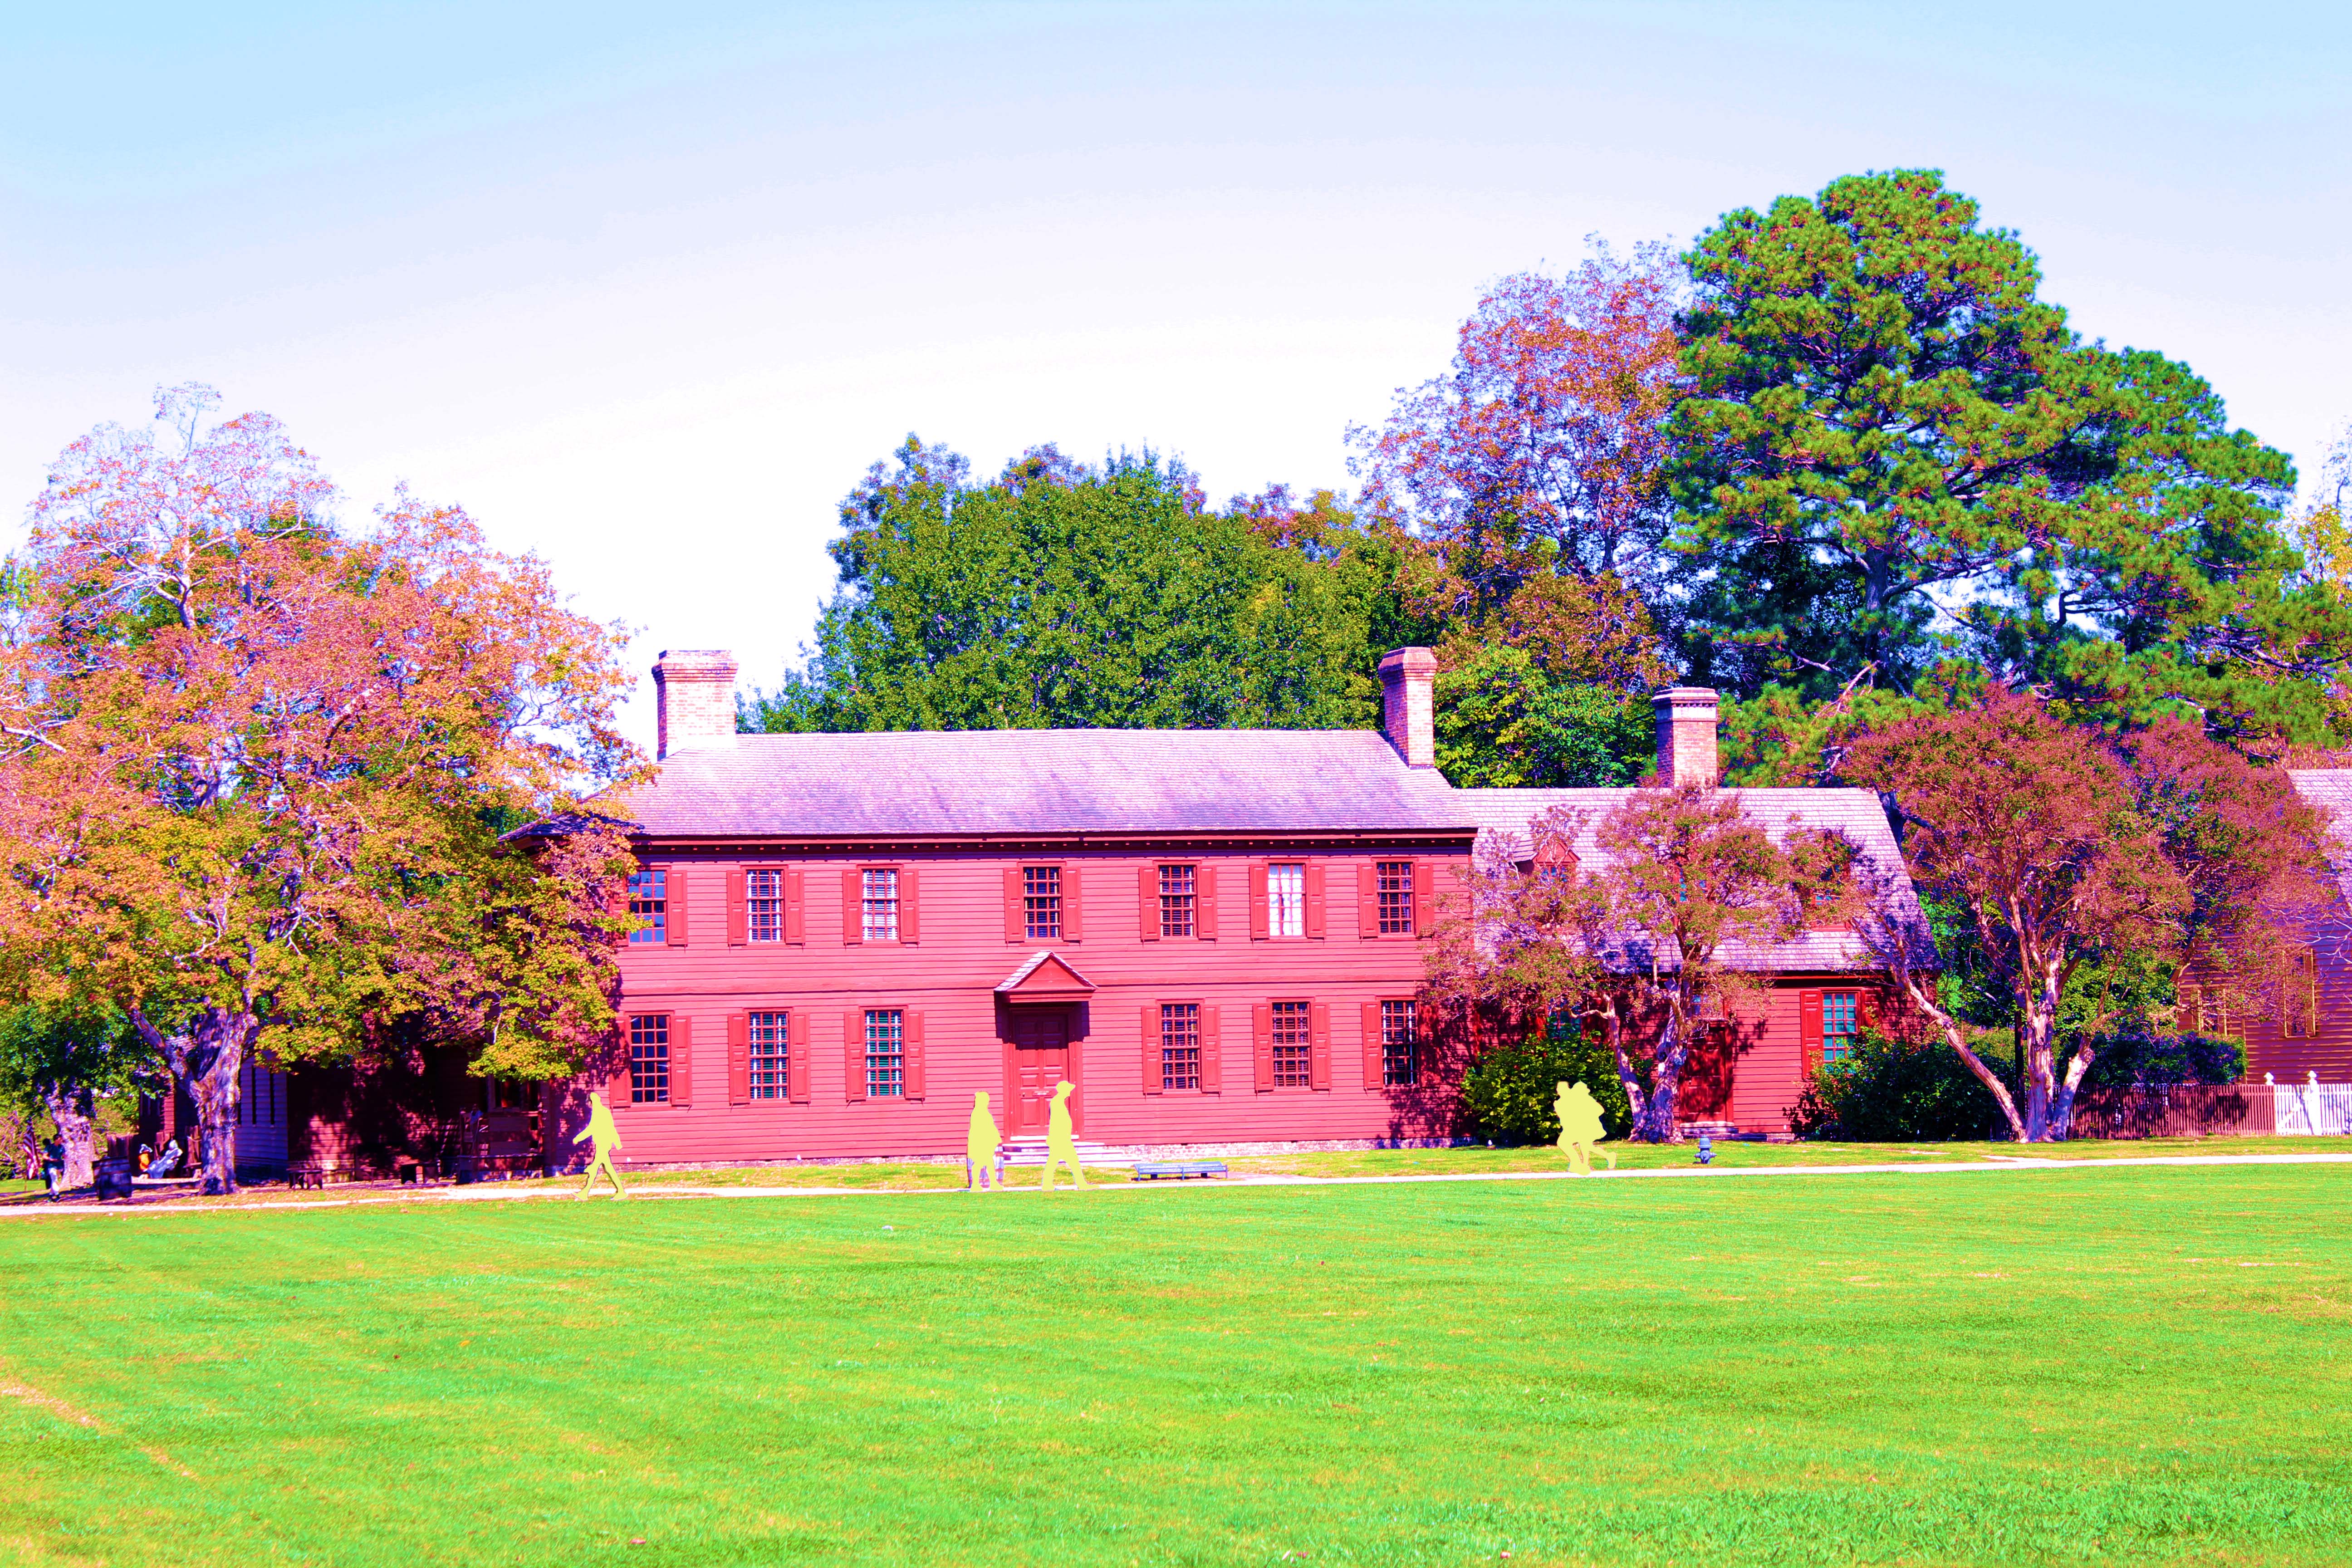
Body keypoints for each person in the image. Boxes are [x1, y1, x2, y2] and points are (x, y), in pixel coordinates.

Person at [1553, 1081, 1616, 1176]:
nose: (1559, 1091)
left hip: (1586, 1126)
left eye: (1562, 1088)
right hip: (1572, 1128)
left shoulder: (1578, 1097)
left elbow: (1599, 1110)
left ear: (1568, 1089)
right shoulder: (1560, 1102)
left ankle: (1583, 1166)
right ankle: (1607, 1157)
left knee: (1584, 1144)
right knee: (1564, 1143)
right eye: (1558, 1089)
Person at [573, 1091, 626, 1198]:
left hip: (603, 1144)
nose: (589, 1105)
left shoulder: (598, 1113)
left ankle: (585, 1193)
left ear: (592, 1102)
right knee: (608, 1169)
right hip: (605, 1143)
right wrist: (617, 1142)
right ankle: (620, 1192)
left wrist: (578, 1138)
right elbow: (612, 1128)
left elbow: (591, 1129)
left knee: (595, 1168)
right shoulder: (604, 1111)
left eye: (589, 1103)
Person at [1040, 1080, 1088, 1191]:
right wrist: (1053, 1137)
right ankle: (1081, 1184)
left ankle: (1047, 1185)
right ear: (1064, 1090)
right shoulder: (1057, 1103)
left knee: (1055, 1162)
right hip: (1061, 1139)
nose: (1070, 1092)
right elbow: (1055, 1122)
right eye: (1068, 1090)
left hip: (1062, 1138)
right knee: (1071, 1161)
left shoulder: (1059, 1102)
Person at [965, 1091, 1003, 1191]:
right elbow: (984, 1128)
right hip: (981, 1142)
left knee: (989, 1162)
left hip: (986, 1141)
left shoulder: (983, 1112)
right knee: (979, 1162)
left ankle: (994, 1183)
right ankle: (975, 1185)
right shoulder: (978, 1113)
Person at [41, 1136, 64, 1201]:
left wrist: (65, 1156)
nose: (61, 1140)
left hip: (59, 1166)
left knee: (54, 1181)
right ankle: (57, 1195)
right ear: (56, 1140)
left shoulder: (61, 1147)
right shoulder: (50, 1147)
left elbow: (63, 1155)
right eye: (60, 1139)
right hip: (51, 1166)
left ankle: (51, 1196)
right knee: (55, 1179)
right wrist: (51, 1159)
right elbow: (44, 1156)